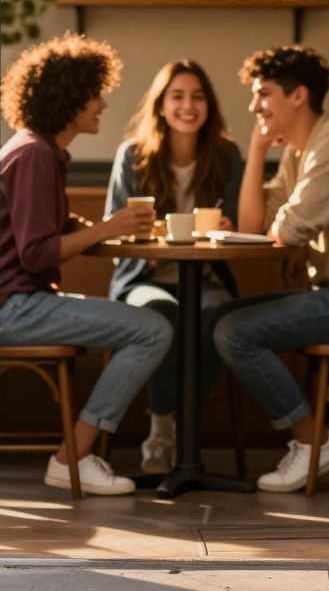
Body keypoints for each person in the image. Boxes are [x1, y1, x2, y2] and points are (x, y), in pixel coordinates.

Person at [0, 32, 172, 496]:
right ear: (70, 96)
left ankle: (74, 454)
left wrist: (95, 225)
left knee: (150, 327)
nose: (101, 104)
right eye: (94, 94)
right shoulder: (34, 154)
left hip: (17, 302)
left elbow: (36, 226)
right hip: (14, 308)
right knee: (152, 329)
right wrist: (107, 229)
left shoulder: (37, 149)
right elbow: (36, 252)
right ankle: (72, 456)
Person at [211, 45, 329, 493]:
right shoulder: (298, 151)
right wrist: (256, 144)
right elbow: (253, 222)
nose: (253, 107)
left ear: (298, 96)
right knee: (217, 320)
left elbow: (290, 228)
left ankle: (313, 441)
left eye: (262, 94)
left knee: (236, 332)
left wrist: (280, 223)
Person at [105, 60, 244, 475]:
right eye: (177, 96)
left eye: (197, 96)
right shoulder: (133, 155)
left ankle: (188, 423)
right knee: (162, 313)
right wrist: (146, 240)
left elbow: (240, 223)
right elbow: (114, 239)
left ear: (210, 105)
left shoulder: (226, 154)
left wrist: (227, 226)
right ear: (161, 105)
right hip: (143, 278)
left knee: (219, 314)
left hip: (205, 278)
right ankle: (163, 427)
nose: (188, 105)